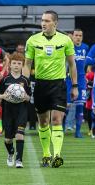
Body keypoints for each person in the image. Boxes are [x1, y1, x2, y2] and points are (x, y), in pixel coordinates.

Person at [23, 10, 78, 168]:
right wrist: (24, 83)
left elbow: (72, 64)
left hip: (59, 85)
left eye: (47, 21)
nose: (43, 23)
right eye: (42, 20)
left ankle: (57, 155)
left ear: (55, 23)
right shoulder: (33, 40)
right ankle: (46, 154)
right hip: (40, 85)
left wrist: (74, 86)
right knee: (43, 121)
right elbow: (27, 64)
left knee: (56, 119)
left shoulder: (65, 40)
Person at [0, 52, 31, 168]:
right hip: (8, 111)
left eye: (19, 63)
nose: (16, 65)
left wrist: (25, 96)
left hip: (21, 110)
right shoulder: (5, 79)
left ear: (22, 66)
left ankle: (19, 160)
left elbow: (29, 97)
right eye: (14, 63)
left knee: (20, 135)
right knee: (8, 139)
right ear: (10, 65)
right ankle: (11, 153)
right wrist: (4, 96)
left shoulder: (25, 81)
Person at [64, 29, 89, 138]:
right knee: (67, 105)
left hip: (81, 80)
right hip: (69, 80)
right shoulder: (68, 48)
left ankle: (78, 132)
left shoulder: (86, 48)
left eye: (80, 35)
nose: (78, 37)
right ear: (72, 36)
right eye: (76, 35)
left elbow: (88, 62)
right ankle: (61, 128)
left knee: (80, 105)